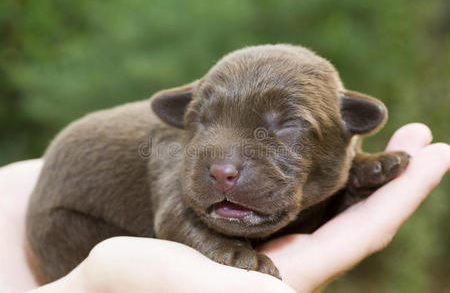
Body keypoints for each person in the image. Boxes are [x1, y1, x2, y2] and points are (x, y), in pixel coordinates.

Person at [0, 123, 448, 293]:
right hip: (73, 229)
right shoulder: (175, 152)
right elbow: (176, 216)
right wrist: (87, 286)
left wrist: (349, 174)